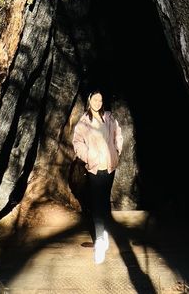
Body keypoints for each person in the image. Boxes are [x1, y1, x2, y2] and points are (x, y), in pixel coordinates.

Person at [72, 89, 123, 264]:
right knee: (96, 203)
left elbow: (118, 135)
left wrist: (117, 151)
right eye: (95, 99)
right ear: (89, 101)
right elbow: (77, 142)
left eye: (100, 100)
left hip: (109, 167)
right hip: (94, 168)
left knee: (104, 200)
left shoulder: (109, 118)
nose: (98, 102)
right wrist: (88, 157)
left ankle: (103, 233)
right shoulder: (84, 122)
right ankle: (100, 241)